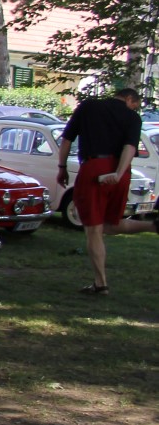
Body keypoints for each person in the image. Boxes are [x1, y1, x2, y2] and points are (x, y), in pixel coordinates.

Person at [57, 87, 153, 295]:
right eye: (134, 105)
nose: (133, 108)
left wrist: (62, 167)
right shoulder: (133, 118)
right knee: (110, 224)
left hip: (95, 168)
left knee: (93, 229)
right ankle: (154, 226)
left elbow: (67, 139)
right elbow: (129, 147)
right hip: (122, 170)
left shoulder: (88, 107)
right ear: (129, 99)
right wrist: (119, 174)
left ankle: (101, 284)